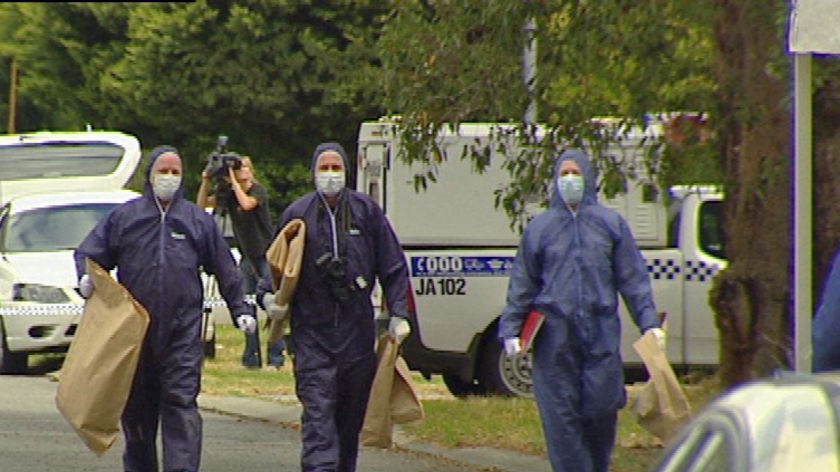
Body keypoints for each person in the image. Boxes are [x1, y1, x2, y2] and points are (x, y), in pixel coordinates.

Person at [74, 145, 257, 472]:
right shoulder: (127, 217)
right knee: (138, 415)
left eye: (175, 172)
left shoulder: (196, 221)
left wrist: (240, 307)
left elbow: (225, 268)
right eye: (163, 171)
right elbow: (91, 253)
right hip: (134, 336)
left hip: (181, 334)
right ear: (150, 174)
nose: (169, 178)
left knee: (180, 405)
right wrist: (86, 278)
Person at [497, 148, 665, 472]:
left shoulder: (610, 224)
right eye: (564, 174)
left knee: (602, 409)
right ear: (554, 180)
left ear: (588, 177)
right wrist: (510, 330)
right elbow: (523, 283)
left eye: (575, 174)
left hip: (601, 332)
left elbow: (633, 278)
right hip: (554, 337)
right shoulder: (540, 228)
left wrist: (648, 323)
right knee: (561, 416)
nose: (570, 180)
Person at [257, 142, 411, 472]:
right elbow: (272, 266)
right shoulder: (297, 215)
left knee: (347, 422)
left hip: (356, 335)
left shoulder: (366, 212)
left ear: (346, 171)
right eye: (324, 168)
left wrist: (399, 313)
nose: (330, 175)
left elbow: (393, 265)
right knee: (318, 417)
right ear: (313, 172)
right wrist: (270, 301)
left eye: (335, 167)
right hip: (312, 335)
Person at [197, 154, 286, 368]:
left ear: (251, 171)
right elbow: (200, 207)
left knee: (271, 305)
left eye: (245, 167)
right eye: (238, 168)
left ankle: (276, 357)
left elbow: (247, 205)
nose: (241, 170)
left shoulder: (258, 190)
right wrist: (207, 180)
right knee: (246, 305)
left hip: (267, 255)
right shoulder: (229, 194)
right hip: (247, 257)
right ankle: (251, 357)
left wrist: (234, 182)